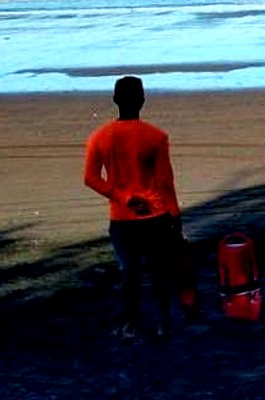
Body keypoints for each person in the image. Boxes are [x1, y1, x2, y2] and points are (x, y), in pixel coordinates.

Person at [84, 76, 185, 339]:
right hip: (155, 215)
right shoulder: (156, 136)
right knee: (158, 270)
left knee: (129, 271)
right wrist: (176, 220)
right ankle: (164, 323)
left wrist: (121, 196)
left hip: (121, 218)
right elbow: (165, 183)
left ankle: (132, 324)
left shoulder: (99, 136)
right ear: (142, 99)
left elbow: (91, 178)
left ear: (115, 100)